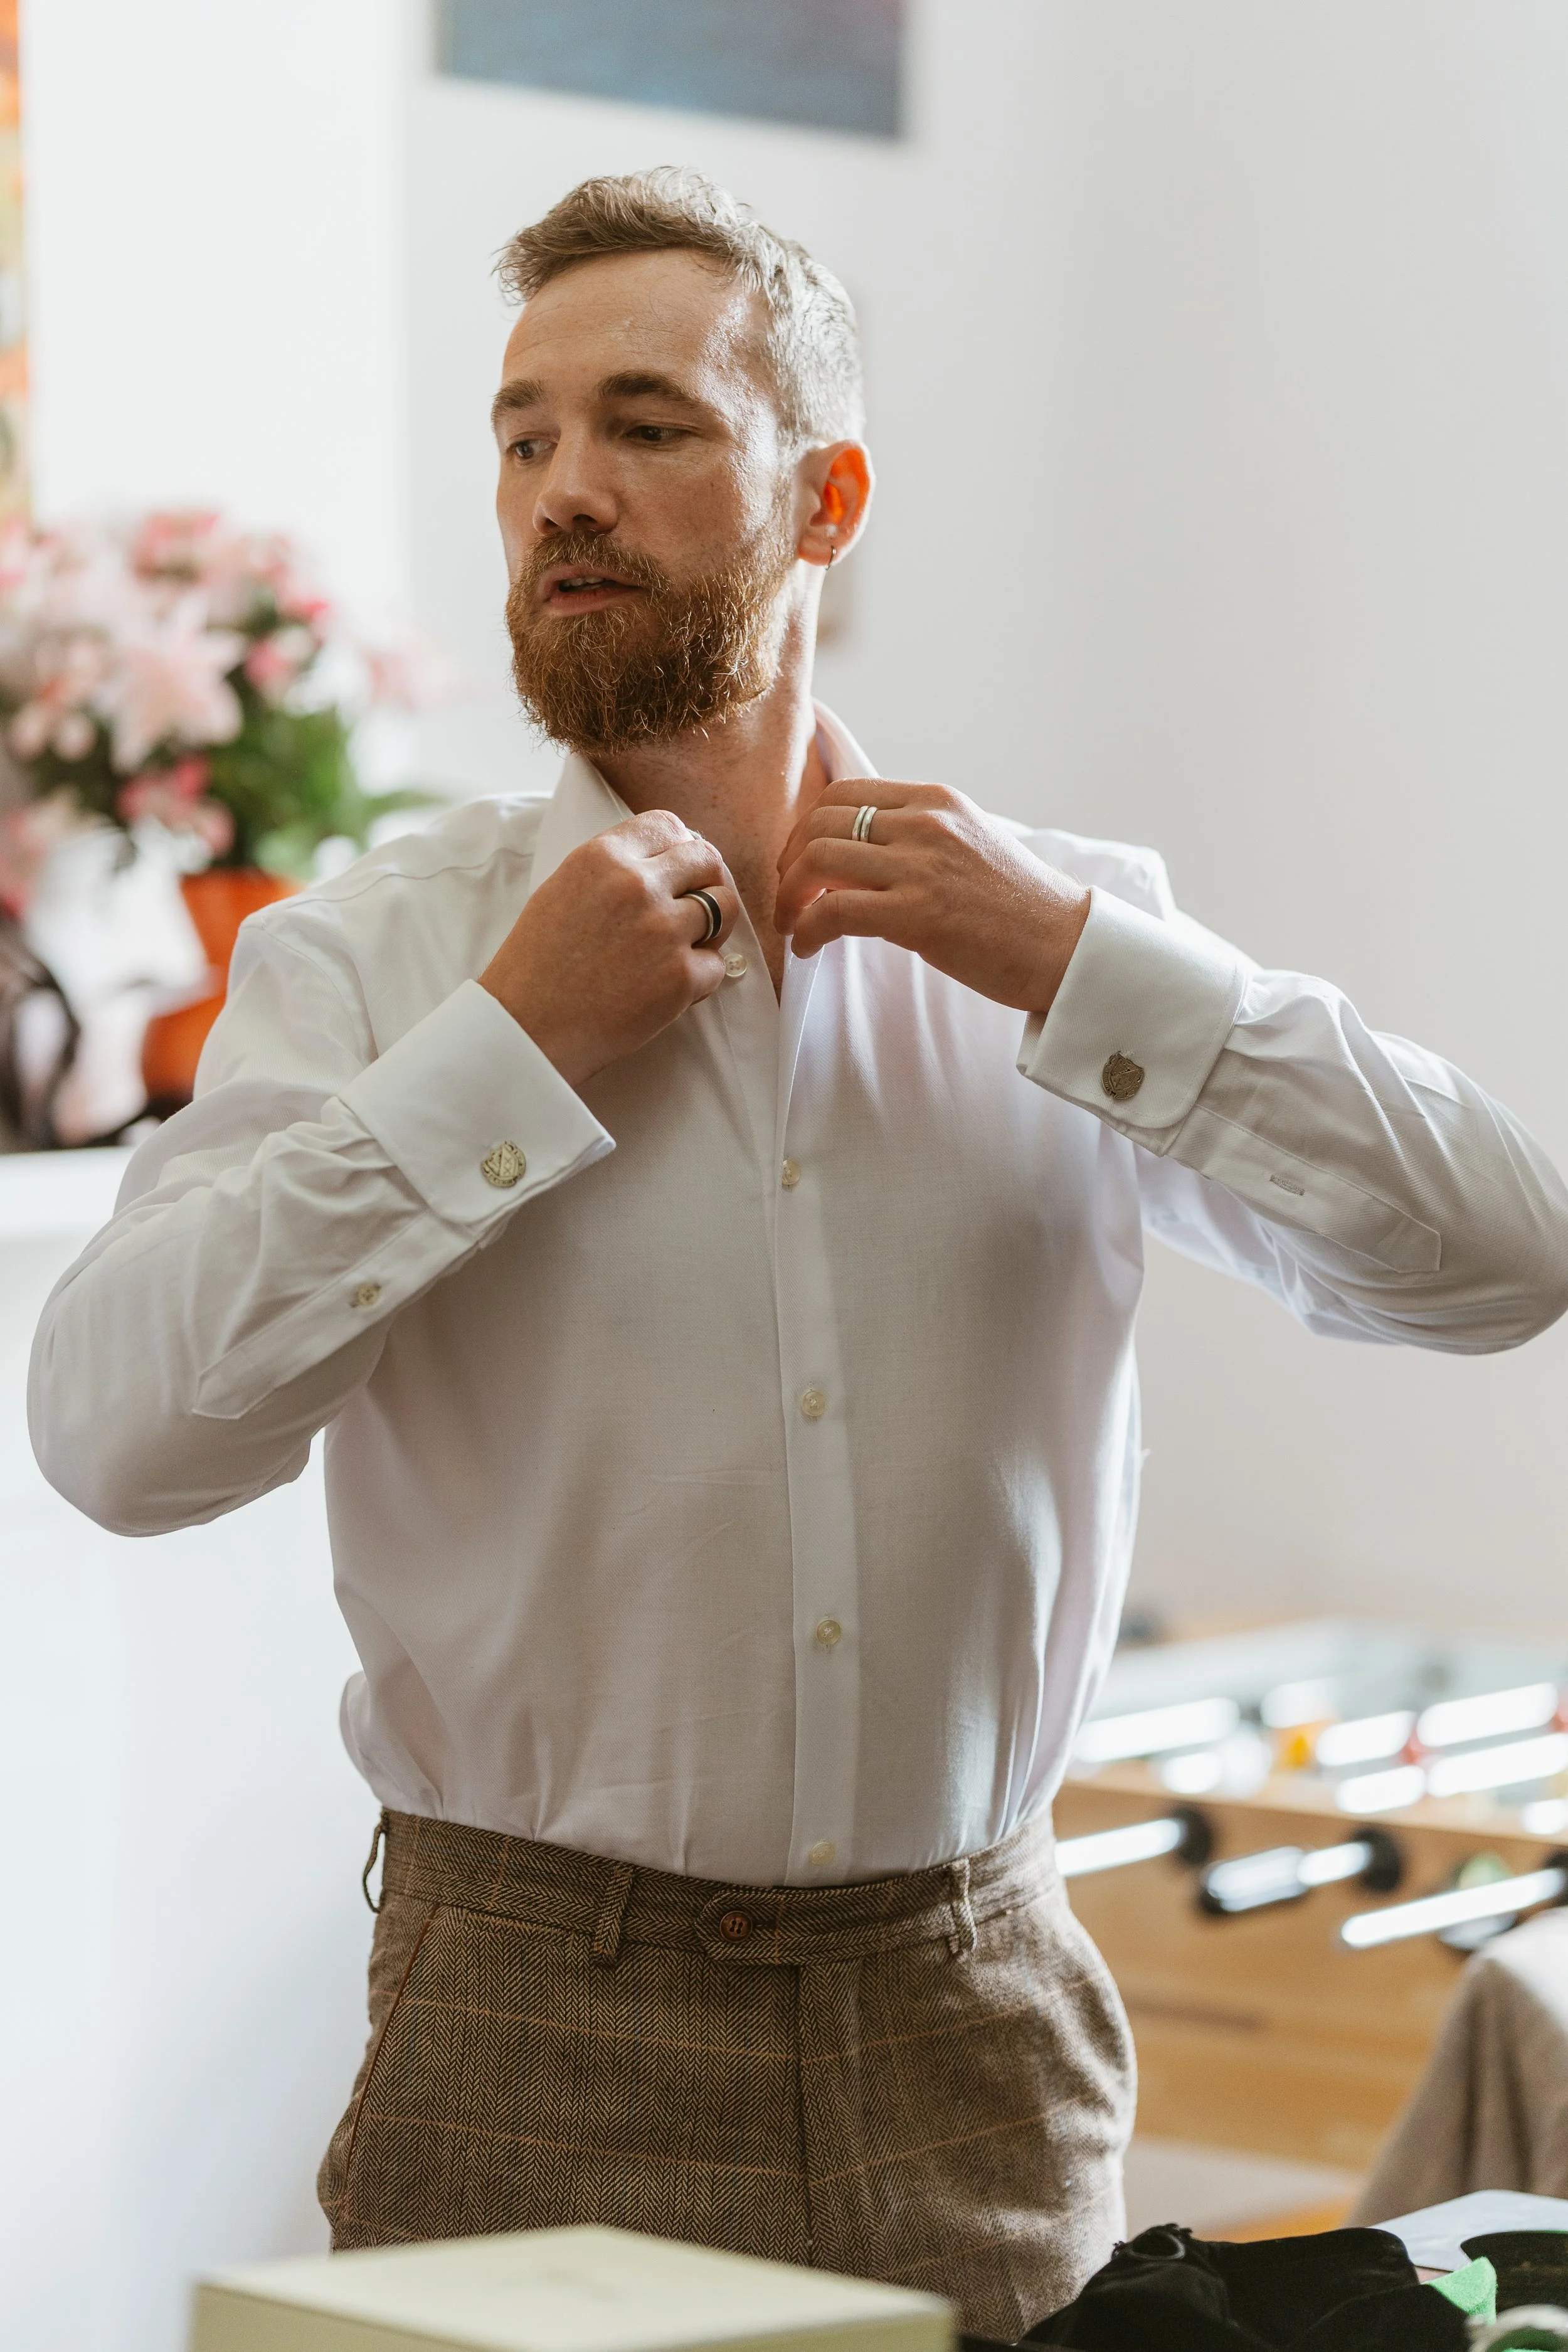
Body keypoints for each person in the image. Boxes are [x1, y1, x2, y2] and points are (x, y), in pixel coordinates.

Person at [27, 168, 1568, 2337]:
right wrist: (503, 1057)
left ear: (824, 495)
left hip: (981, 2041)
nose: (564, 488)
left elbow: (1499, 1255)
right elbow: (111, 1433)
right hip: (526, 2040)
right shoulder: (370, 966)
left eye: (648, 424)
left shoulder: (1053, 937)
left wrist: (1074, 966)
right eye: (524, 432)